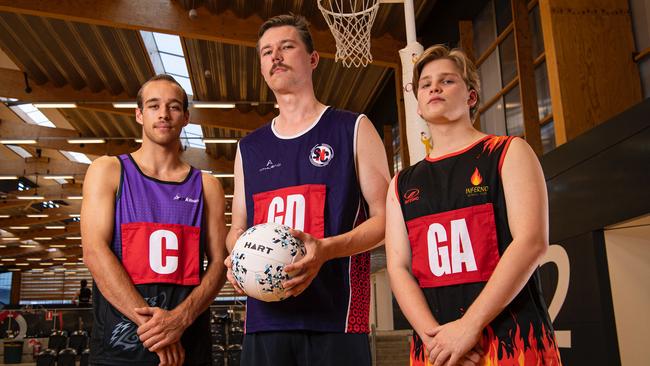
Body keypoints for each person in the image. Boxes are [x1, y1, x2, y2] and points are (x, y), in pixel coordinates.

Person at [224, 14, 390, 366]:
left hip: (336, 319)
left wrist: (326, 250)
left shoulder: (353, 128)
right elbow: (237, 228)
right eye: (267, 52)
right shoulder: (249, 148)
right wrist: (235, 259)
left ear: (313, 59)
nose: (276, 57)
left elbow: (387, 221)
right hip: (264, 322)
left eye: (287, 47)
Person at [385, 44, 562, 366]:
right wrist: (433, 338)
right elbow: (398, 267)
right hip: (436, 347)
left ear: (471, 96)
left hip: (512, 340)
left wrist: (469, 327)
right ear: (419, 107)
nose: (434, 87)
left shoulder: (508, 152)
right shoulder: (402, 182)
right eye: (425, 84)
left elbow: (531, 242)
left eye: (447, 80)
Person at [81, 74, 227, 366]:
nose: (163, 114)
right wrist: (158, 331)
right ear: (139, 114)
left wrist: (179, 320)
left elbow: (220, 262)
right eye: (153, 105)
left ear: (186, 117)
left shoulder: (207, 185)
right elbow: (95, 252)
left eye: (173, 107)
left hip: (188, 343)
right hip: (119, 348)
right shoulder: (108, 170)